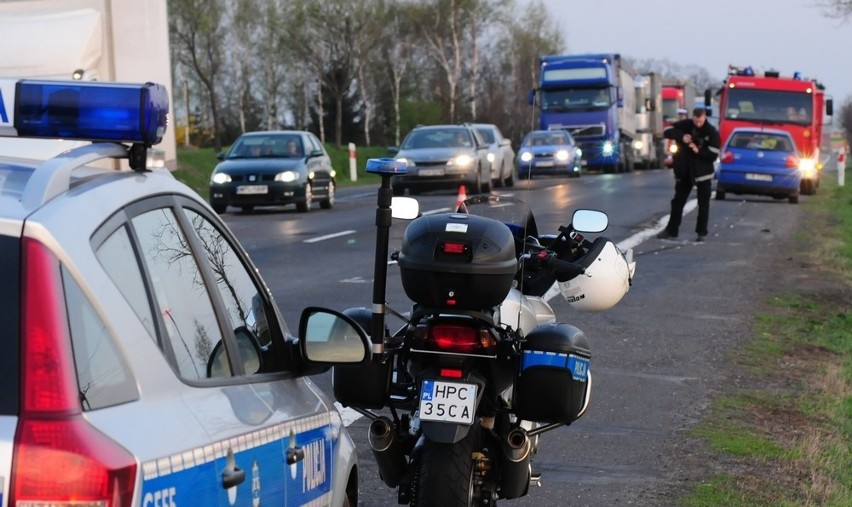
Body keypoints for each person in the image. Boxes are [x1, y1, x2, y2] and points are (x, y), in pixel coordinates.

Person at [657, 107, 721, 242]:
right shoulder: (685, 125)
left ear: (704, 118)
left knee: (703, 204)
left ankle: (701, 232)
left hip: (703, 173)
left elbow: (714, 153)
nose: (698, 124)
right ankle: (671, 230)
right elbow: (667, 131)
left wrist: (699, 150)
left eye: (700, 121)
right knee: (677, 202)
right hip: (684, 172)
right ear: (693, 117)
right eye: (696, 121)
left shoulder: (711, 132)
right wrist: (682, 137)